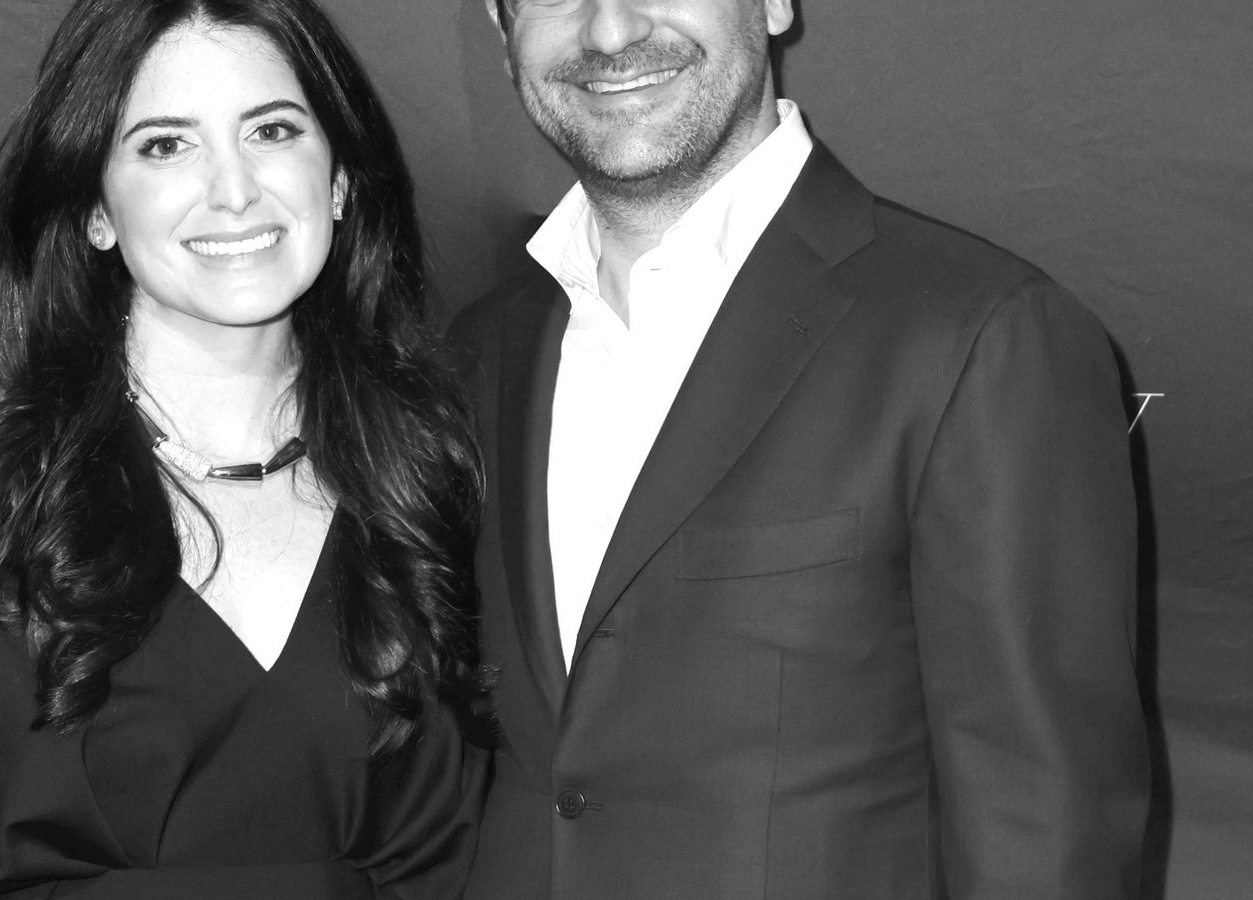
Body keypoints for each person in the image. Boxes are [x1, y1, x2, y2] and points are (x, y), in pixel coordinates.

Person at [0, 0, 484, 896]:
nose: (233, 189)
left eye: (272, 130)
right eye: (166, 145)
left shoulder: (431, 476)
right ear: (95, 206)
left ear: (340, 183)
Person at [448, 0, 1151, 897]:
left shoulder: (982, 335)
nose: (611, 31)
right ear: (499, 28)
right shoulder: (476, 352)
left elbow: (1047, 835)